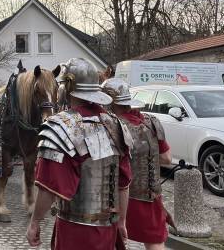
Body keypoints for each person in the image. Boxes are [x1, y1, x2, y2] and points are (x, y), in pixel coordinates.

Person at [26, 58, 133, 250]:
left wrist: (35, 221)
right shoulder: (116, 125)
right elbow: (123, 185)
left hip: (74, 230)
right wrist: (122, 222)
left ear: (66, 87)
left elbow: (49, 187)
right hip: (108, 228)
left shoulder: (61, 127)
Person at [102, 78, 172, 250]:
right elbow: (167, 158)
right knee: (155, 242)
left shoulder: (109, 126)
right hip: (150, 195)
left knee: (111, 242)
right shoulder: (151, 122)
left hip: (116, 197)